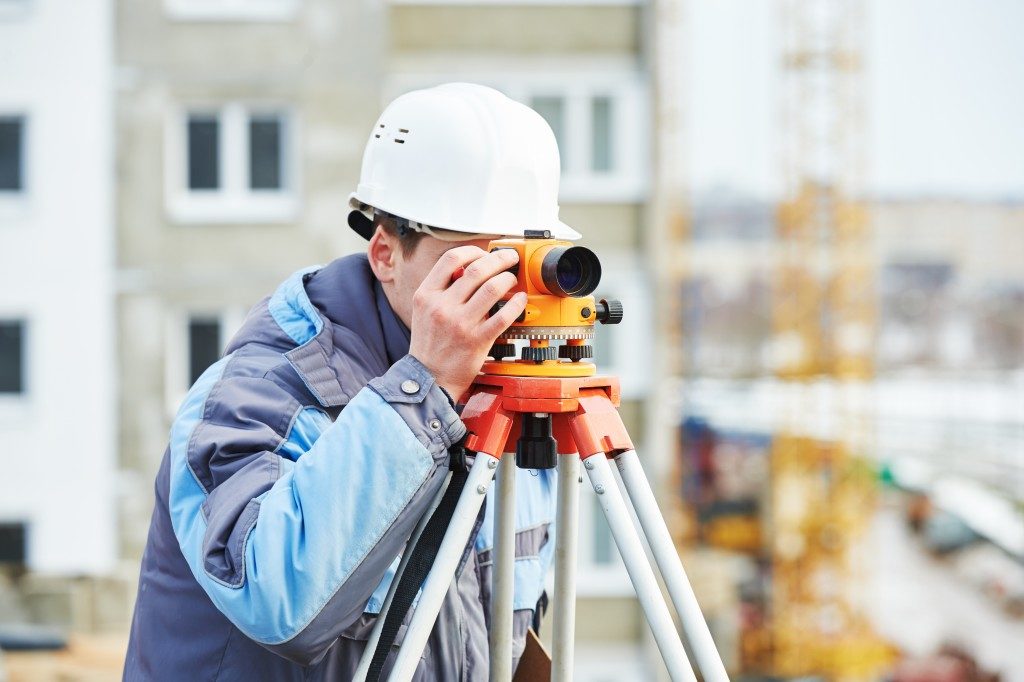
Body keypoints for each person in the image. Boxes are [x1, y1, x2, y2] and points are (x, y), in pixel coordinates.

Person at [124, 82, 583, 681]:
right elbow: (278, 602)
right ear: (386, 253)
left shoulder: (508, 401)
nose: (504, 292)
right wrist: (424, 388)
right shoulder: (254, 396)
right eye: (479, 262)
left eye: (523, 260)